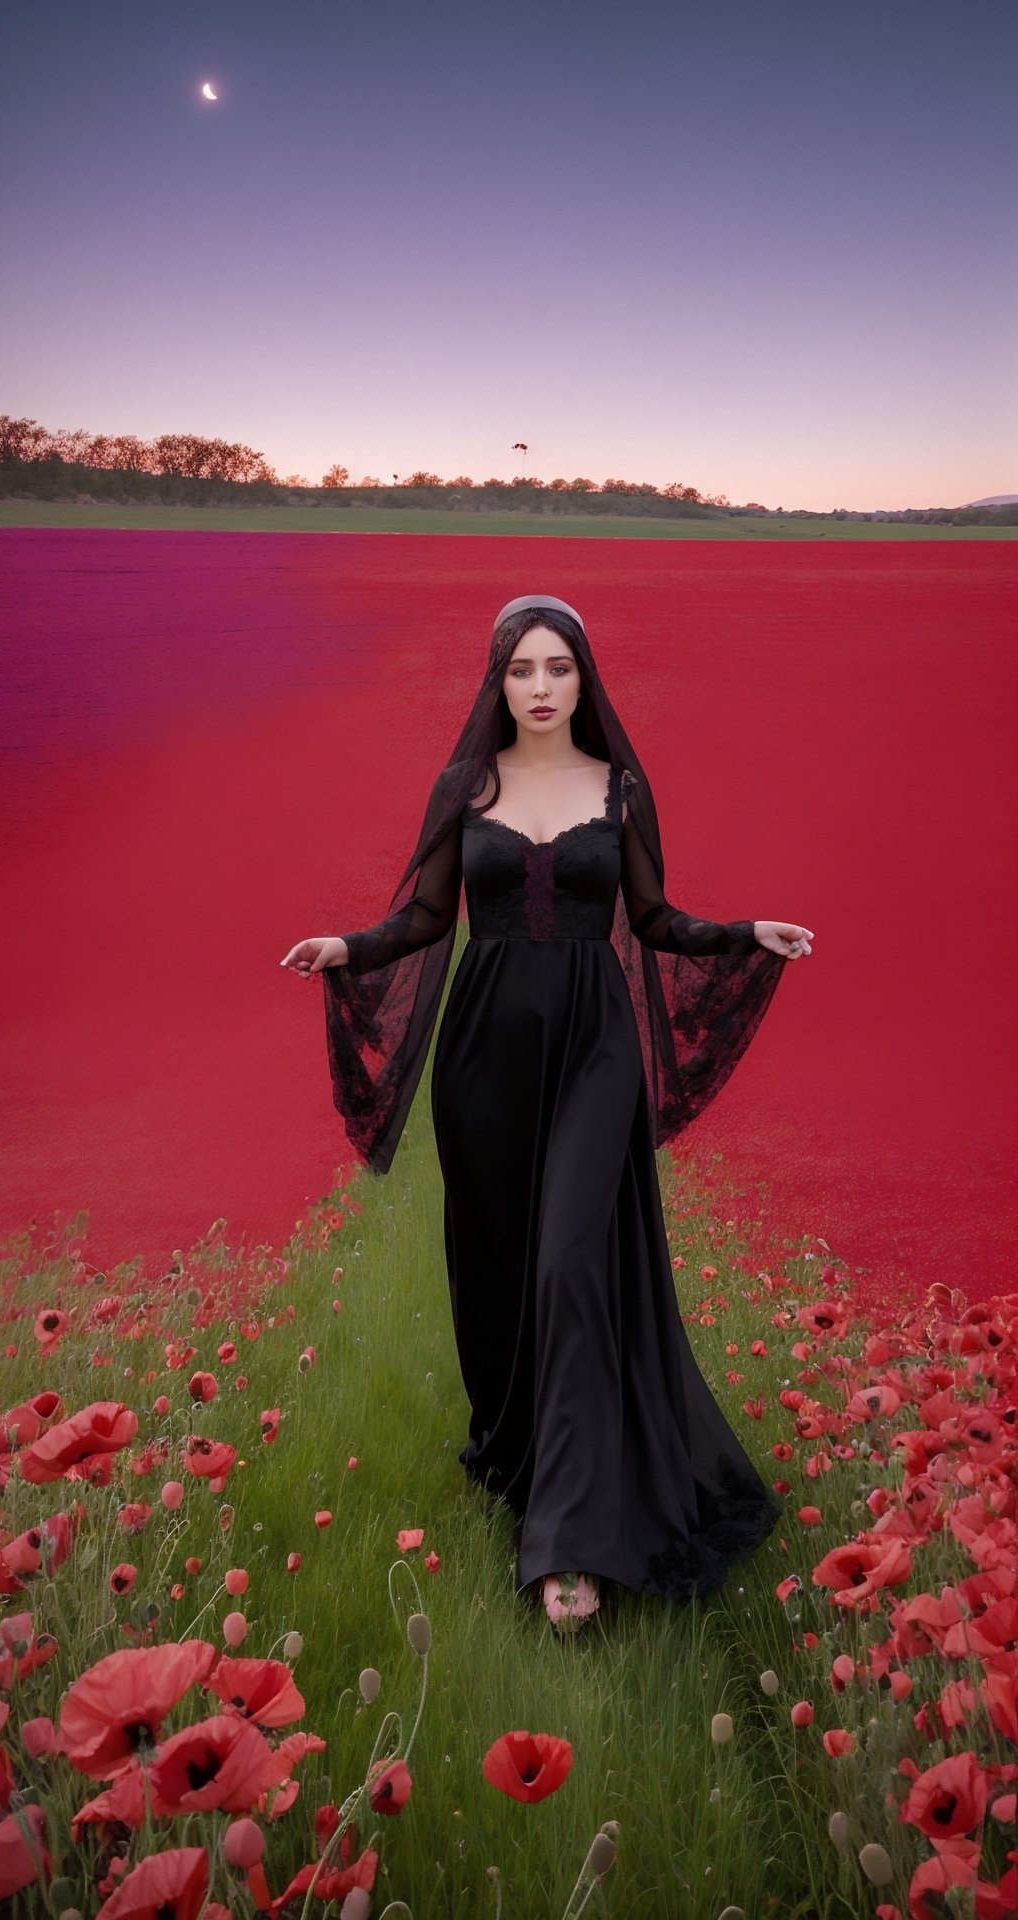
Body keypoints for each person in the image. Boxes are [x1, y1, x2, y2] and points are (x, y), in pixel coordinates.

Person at [281, 594, 813, 1632]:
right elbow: (428, 915)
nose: (538, 687)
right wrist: (349, 947)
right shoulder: (462, 787)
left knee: (573, 1261)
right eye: (520, 669)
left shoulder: (619, 788)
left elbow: (653, 919)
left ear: (584, 678)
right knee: (499, 1271)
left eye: (557, 668)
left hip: (595, 1046)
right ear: (497, 679)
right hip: (484, 1055)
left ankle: (567, 1550)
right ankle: (526, 1451)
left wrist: (748, 930)